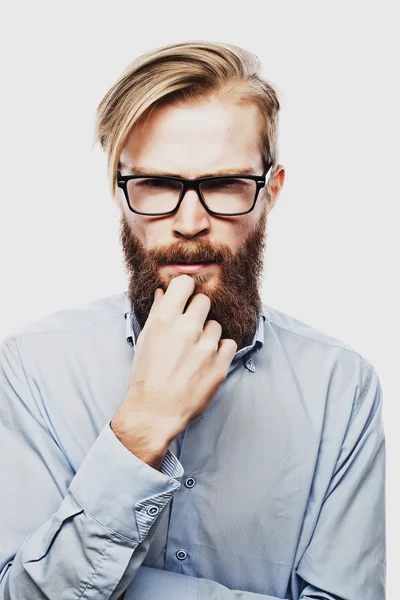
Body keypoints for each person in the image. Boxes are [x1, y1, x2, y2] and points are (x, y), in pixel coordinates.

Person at [0, 40, 385, 600]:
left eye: (224, 185)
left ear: (270, 192)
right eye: (156, 184)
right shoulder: (30, 370)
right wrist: (139, 429)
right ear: (120, 192)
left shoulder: (342, 389)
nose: (188, 221)